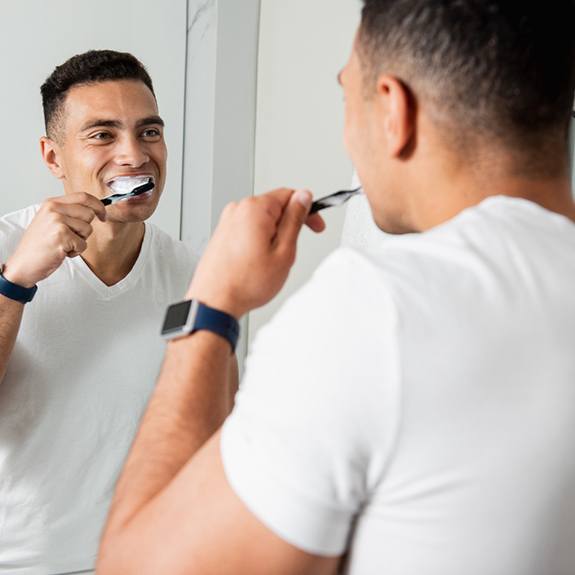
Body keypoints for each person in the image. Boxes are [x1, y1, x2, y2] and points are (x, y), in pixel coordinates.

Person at [97, 2, 575, 574]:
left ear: (393, 110)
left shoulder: (374, 312)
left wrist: (212, 304)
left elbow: (134, 568)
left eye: (347, 96)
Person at [0, 50, 217, 574]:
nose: (134, 155)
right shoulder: (7, 245)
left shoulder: (193, 273)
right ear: (53, 158)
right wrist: (15, 282)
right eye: (102, 134)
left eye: (149, 132)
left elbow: (207, 431)